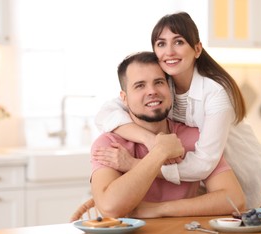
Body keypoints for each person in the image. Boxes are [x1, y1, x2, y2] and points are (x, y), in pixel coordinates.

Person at [94, 12, 261, 209]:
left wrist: (136, 164)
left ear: (197, 49)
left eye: (178, 42)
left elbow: (204, 165)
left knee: (246, 232)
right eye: (161, 44)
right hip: (202, 176)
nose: (169, 51)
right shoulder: (164, 84)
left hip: (241, 171)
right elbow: (107, 113)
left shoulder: (215, 93)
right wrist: (150, 140)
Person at [91, 51, 245, 218]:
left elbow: (235, 200)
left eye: (158, 82)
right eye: (140, 85)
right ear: (124, 98)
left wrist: (159, 209)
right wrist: (160, 151)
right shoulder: (109, 144)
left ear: (169, 88)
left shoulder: (194, 136)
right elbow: (110, 207)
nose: (152, 91)